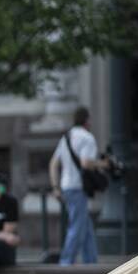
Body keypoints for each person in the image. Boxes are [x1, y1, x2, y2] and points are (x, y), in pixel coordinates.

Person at [49, 106, 110, 265]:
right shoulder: (87, 138)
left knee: (85, 226)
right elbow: (86, 163)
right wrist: (104, 164)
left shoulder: (66, 138)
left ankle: (91, 264)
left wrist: (56, 187)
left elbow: (53, 163)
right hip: (77, 187)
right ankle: (65, 264)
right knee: (77, 227)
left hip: (67, 186)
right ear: (87, 120)